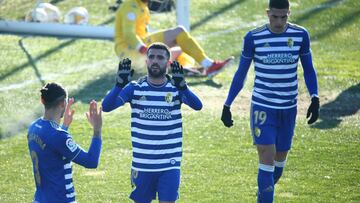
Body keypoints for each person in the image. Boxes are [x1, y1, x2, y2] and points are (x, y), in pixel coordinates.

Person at [220, 0, 320, 202]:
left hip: (288, 108)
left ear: (289, 13)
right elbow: (241, 73)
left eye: (284, 17)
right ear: (268, 13)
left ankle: (262, 195)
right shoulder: (253, 37)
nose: (279, 22)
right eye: (275, 16)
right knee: (266, 159)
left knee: (278, 165)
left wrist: (315, 97)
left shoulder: (300, 35)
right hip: (263, 107)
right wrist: (227, 104)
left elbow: (308, 69)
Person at [102, 42, 202, 203]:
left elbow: (198, 106)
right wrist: (118, 86)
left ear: (168, 62)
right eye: (152, 57)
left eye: (160, 57)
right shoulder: (134, 89)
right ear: (147, 61)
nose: (155, 60)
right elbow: (106, 107)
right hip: (142, 165)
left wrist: (183, 87)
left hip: (169, 165)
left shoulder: (176, 88)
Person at [114, 0, 234, 77]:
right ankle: (208, 65)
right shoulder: (130, 6)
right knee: (179, 32)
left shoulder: (142, 5)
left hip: (136, 53)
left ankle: (185, 69)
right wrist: (145, 50)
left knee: (182, 49)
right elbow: (128, 35)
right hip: (130, 52)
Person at [27, 82, 103, 203]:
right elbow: (91, 161)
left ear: (42, 100)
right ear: (63, 103)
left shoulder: (33, 128)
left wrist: (64, 127)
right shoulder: (58, 136)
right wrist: (97, 130)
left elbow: (51, 150)